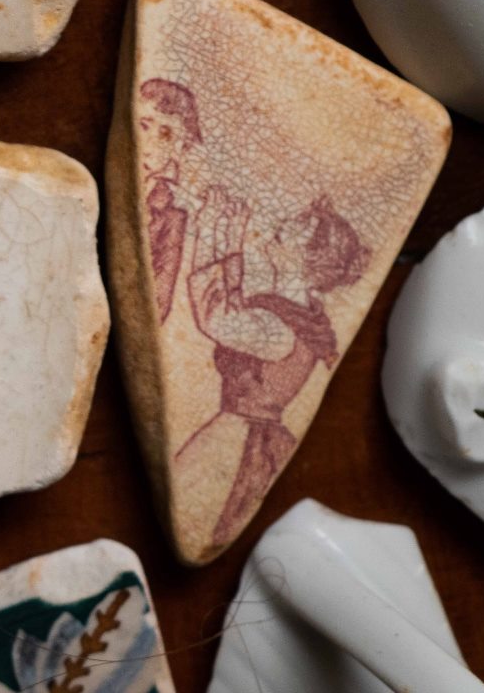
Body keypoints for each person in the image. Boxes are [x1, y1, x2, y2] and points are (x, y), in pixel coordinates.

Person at [177, 186, 369, 546]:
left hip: (238, 439)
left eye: (298, 227)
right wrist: (227, 237)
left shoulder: (282, 329)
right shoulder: (294, 314)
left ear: (310, 259)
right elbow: (233, 305)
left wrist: (208, 231)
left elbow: (214, 315)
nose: (286, 223)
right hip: (246, 433)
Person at [137, 78, 203, 322]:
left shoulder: (172, 219)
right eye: (144, 126)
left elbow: (157, 306)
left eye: (165, 134)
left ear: (180, 148)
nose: (149, 145)